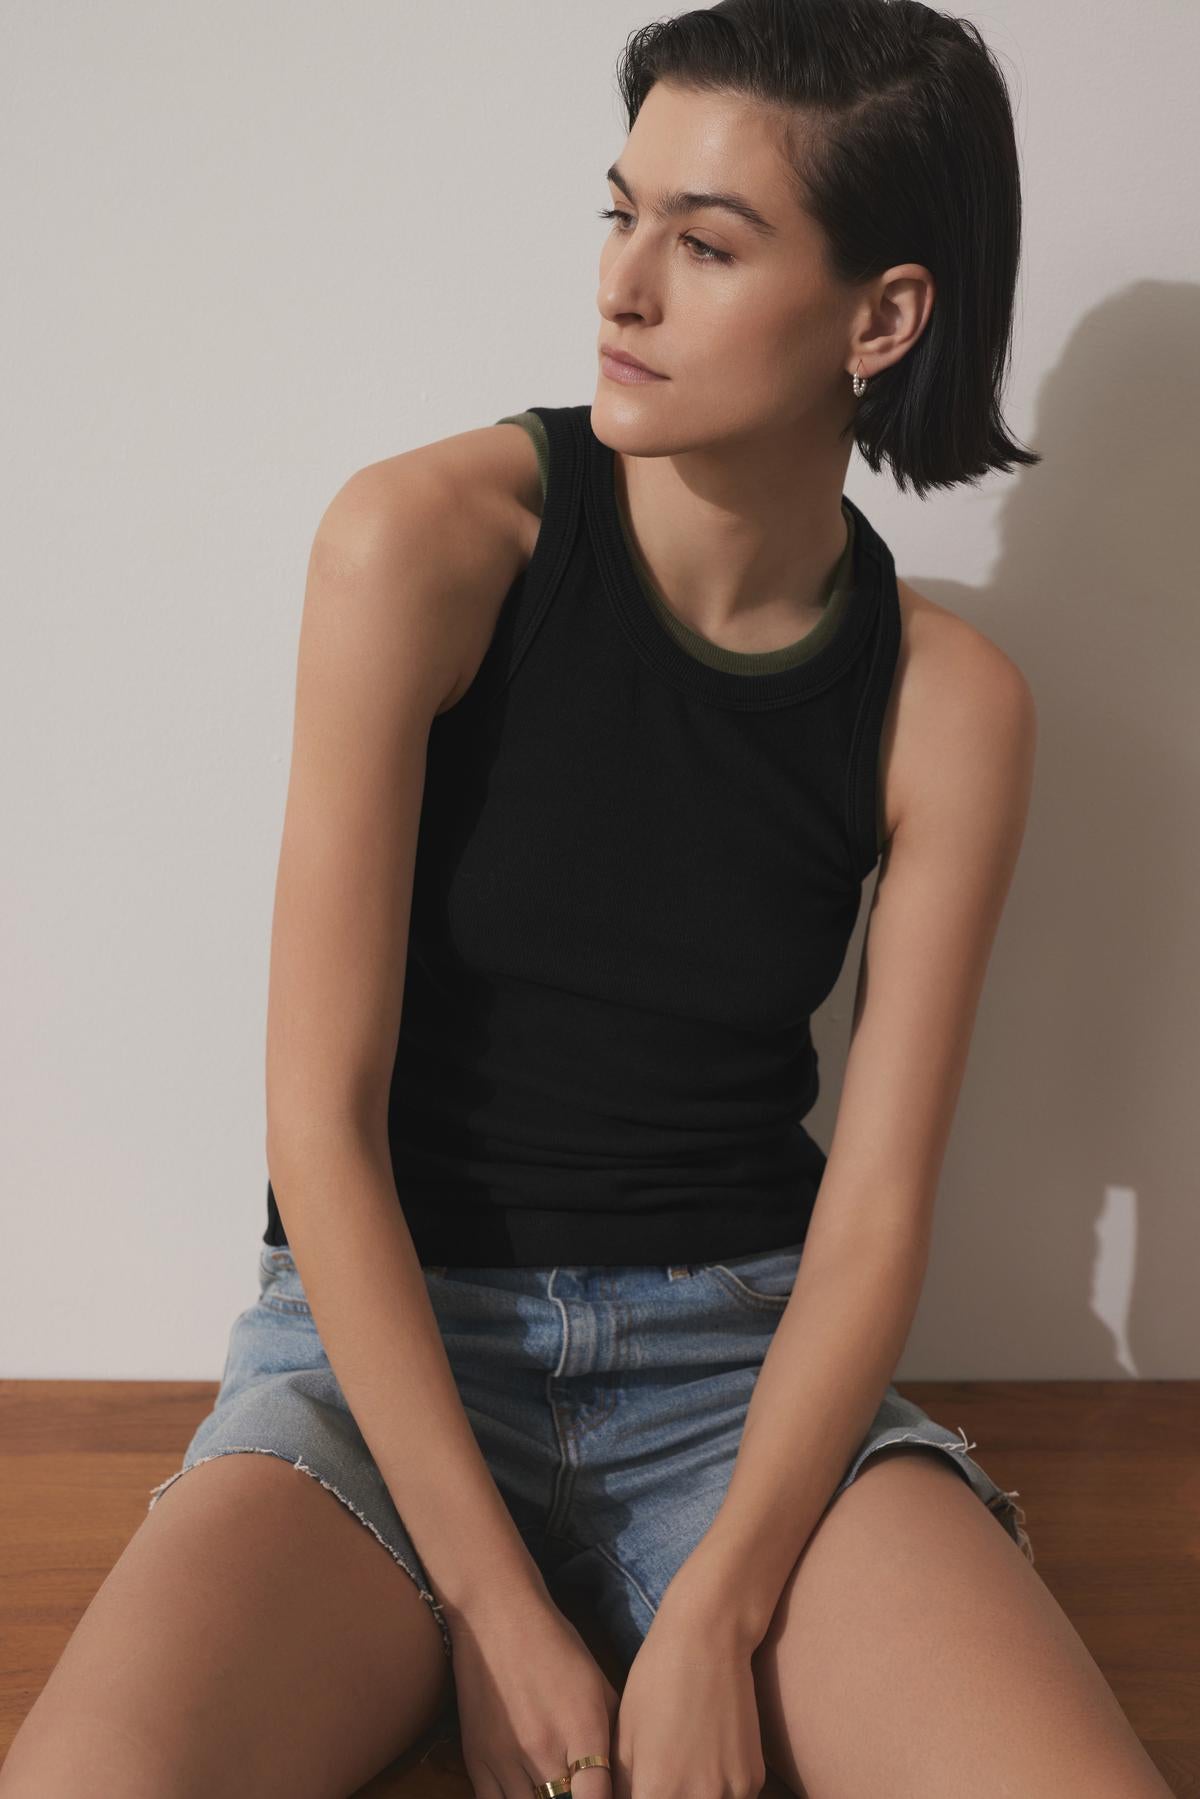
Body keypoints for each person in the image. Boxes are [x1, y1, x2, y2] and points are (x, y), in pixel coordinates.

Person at [2, 3, 1174, 1796]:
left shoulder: (951, 706)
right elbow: (318, 1131)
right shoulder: (425, 545)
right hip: (384, 1352)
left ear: (884, 316)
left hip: (739, 1379)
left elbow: (869, 1220)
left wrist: (712, 1612)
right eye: (619, 213)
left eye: (705, 244)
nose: (623, 285)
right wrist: (495, 1607)